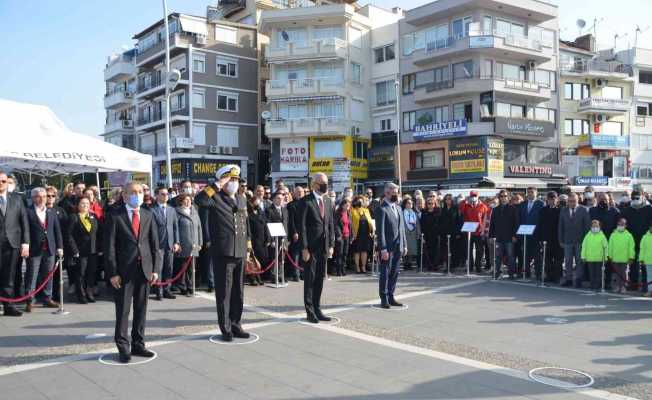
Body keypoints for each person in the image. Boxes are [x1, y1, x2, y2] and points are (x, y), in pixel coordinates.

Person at [106, 182, 162, 363]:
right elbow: (109, 247)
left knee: (141, 309)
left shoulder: (148, 214)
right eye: (133, 192)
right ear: (124, 195)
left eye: (139, 192)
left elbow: (155, 245)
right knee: (123, 311)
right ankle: (123, 346)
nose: (137, 195)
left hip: (144, 269)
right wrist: (113, 272)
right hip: (123, 272)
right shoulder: (115, 216)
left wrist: (155, 269)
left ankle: (139, 344)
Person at [201, 165, 251, 341]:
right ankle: (226, 328)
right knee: (224, 293)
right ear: (223, 180)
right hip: (223, 252)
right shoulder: (215, 197)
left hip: (240, 251)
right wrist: (217, 185)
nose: (235, 183)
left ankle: (237, 324)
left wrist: (248, 247)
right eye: (231, 180)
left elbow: (246, 224)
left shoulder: (241, 199)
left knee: (239, 292)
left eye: (237, 180)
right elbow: (199, 200)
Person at [298, 172, 335, 323]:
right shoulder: (306, 201)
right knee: (310, 279)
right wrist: (304, 248)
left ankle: (317, 308)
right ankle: (310, 311)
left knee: (320, 278)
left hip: (323, 247)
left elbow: (331, 224)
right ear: (314, 184)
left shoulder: (327, 201)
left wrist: (332, 244)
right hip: (311, 248)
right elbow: (302, 228)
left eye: (326, 182)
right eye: (322, 183)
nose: (325, 185)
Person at [25, 187, 63, 311]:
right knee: (32, 275)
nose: (42, 199)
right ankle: (30, 300)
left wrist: (60, 246)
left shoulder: (51, 212)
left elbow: (57, 230)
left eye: (44, 196)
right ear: (33, 198)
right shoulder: (28, 212)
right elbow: (25, 231)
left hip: (50, 248)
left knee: (48, 275)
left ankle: (47, 297)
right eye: (38, 196)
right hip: (34, 249)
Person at [0, 170, 29, 317]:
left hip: (13, 244)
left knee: (9, 276)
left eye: (3, 181)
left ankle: (9, 306)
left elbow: (24, 222)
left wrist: (26, 243)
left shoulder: (17, 199)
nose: (1, 183)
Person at [375, 182, 407, 309]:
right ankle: (384, 298)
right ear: (387, 192)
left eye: (397, 192)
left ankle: (391, 296)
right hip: (387, 248)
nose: (397, 194)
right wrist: (382, 248)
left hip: (398, 246)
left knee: (395, 272)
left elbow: (401, 228)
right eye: (394, 191)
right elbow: (380, 231)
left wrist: (404, 245)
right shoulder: (381, 209)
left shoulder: (398, 208)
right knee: (385, 273)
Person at [67, 196, 101, 304]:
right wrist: (74, 250)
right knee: (80, 273)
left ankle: (89, 293)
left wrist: (100, 248)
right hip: (80, 251)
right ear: (78, 205)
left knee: (91, 273)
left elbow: (99, 233)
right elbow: (69, 235)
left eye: (87, 203)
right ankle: (81, 295)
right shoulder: (74, 217)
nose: (85, 205)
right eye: (82, 203)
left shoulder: (93, 216)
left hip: (93, 250)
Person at [151, 187, 180, 301]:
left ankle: (167, 289)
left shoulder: (172, 210)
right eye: (162, 194)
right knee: (158, 268)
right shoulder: (152, 210)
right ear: (157, 196)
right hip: (158, 244)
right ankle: (159, 291)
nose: (165, 196)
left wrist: (177, 242)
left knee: (169, 267)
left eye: (167, 194)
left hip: (170, 243)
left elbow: (175, 227)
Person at [559, 193, 591, 288]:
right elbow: (560, 226)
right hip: (567, 240)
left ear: (578, 201)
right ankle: (568, 279)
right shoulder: (563, 210)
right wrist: (560, 240)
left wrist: (585, 242)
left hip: (580, 240)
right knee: (568, 261)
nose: (571, 203)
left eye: (574, 201)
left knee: (579, 261)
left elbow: (587, 226)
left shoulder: (584, 210)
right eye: (570, 201)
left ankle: (578, 279)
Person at [590, 192, 620, 288]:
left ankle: (607, 282)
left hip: (610, 242)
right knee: (597, 264)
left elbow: (618, 227)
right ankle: (597, 282)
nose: (603, 201)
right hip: (596, 242)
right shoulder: (592, 211)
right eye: (601, 199)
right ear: (597, 200)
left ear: (609, 200)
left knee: (608, 265)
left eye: (605, 199)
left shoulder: (615, 211)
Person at [175, 194, 203, 296]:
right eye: (185, 200)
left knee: (192, 268)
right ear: (181, 201)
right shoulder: (177, 212)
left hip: (194, 244)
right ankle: (183, 286)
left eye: (189, 200)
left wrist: (200, 242)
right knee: (183, 267)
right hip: (183, 243)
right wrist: (177, 242)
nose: (188, 202)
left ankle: (191, 286)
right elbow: (175, 229)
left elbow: (199, 227)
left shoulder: (194, 211)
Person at [489, 190, 519, 279]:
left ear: (508, 197)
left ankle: (511, 273)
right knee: (498, 256)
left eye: (505, 196)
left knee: (510, 256)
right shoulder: (495, 209)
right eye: (501, 196)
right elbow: (492, 224)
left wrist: (515, 235)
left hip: (510, 237)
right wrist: (491, 236)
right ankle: (498, 272)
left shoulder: (513, 209)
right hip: (499, 237)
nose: (503, 198)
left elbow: (516, 223)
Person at [458, 190, 489, 273]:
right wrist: (465, 200)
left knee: (479, 250)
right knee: (468, 250)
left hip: (478, 232)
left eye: (475, 196)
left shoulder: (483, 206)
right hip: (468, 232)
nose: (473, 197)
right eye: (472, 196)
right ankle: (470, 266)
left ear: (478, 196)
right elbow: (460, 209)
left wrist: (482, 228)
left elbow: (485, 218)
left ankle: (478, 266)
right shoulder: (466, 205)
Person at [536, 192, 563, 283]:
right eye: (550, 198)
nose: (552, 200)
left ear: (557, 199)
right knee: (547, 259)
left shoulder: (561, 210)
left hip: (557, 239)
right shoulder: (543, 210)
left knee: (558, 259)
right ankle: (549, 275)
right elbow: (539, 224)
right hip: (545, 239)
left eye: (554, 198)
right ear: (547, 199)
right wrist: (539, 238)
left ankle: (557, 276)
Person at [519, 187, 544, 278]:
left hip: (536, 235)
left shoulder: (541, 204)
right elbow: (520, 218)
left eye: (532, 192)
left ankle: (538, 273)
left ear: (536, 193)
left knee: (537, 256)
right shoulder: (523, 204)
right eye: (528, 192)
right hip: (524, 234)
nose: (530, 194)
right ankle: (526, 273)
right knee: (525, 255)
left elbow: (542, 221)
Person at [608, 218, 635, 294]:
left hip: (625, 259)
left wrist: (631, 257)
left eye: (622, 224)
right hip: (615, 258)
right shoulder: (613, 235)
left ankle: (623, 287)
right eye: (619, 224)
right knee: (617, 274)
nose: (620, 226)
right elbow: (610, 246)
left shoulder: (629, 236)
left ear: (625, 226)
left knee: (624, 273)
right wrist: (610, 256)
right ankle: (617, 287)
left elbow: (631, 248)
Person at [581, 220, 609, 292]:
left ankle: (598, 285)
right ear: (591, 227)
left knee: (598, 273)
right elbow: (584, 246)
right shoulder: (587, 236)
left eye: (596, 226)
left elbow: (606, 247)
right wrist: (583, 257)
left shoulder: (602, 236)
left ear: (599, 227)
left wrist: (605, 257)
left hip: (599, 258)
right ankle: (592, 284)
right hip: (590, 258)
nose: (595, 228)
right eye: (593, 226)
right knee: (591, 273)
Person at [247, 197, 269, 286]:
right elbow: (248, 228)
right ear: (252, 204)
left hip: (262, 239)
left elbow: (265, 226)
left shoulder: (261, 213)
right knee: (253, 260)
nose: (258, 205)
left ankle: (259, 276)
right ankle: (253, 278)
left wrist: (267, 238)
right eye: (256, 203)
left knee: (261, 259)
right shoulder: (248, 214)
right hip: (253, 240)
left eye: (259, 203)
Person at [351, 195, 374, 274]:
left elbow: (370, 221)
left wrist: (372, 231)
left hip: (366, 233)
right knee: (357, 251)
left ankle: (363, 267)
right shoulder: (352, 210)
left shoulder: (366, 210)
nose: (360, 202)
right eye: (358, 201)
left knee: (364, 251)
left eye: (361, 201)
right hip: (357, 234)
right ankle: (357, 267)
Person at [286, 186, 305, 282]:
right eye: (298, 192)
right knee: (295, 255)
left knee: (303, 255)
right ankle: (296, 274)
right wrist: (294, 232)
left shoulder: (307, 203)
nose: (300, 193)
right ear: (294, 193)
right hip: (296, 234)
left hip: (305, 234)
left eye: (301, 192)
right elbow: (291, 221)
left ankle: (303, 273)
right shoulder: (291, 205)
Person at [439, 194, 462, 271]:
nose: (447, 200)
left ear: (452, 200)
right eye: (446, 199)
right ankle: (446, 265)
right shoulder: (443, 209)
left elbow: (459, 221)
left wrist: (458, 233)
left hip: (454, 233)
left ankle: (452, 266)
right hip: (444, 233)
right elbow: (440, 221)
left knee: (453, 250)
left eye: (449, 199)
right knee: (445, 250)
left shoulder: (456, 209)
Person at [420, 196, 440, 271]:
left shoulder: (438, 212)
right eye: (429, 204)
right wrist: (422, 236)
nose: (430, 205)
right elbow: (422, 225)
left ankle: (435, 265)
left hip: (436, 234)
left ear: (435, 204)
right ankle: (429, 265)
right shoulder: (424, 213)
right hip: (427, 235)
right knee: (428, 251)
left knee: (436, 251)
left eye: (432, 204)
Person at [333, 198, 351, 277]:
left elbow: (350, 225)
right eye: (346, 205)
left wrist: (352, 235)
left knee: (345, 254)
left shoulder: (348, 213)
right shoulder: (338, 213)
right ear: (342, 205)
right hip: (340, 236)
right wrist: (339, 235)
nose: (347, 206)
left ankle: (343, 269)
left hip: (347, 236)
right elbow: (336, 225)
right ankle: (338, 270)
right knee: (339, 254)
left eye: (348, 205)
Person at [402, 198, 420, 270]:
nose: (410, 205)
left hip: (413, 233)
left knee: (412, 249)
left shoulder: (414, 213)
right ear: (405, 204)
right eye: (408, 203)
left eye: (411, 203)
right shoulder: (402, 212)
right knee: (405, 248)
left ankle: (409, 263)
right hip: (405, 233)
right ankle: (405, 264)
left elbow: (418, 224)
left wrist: (418, 232)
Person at [637, 221, 652, 297]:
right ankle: (650, 291)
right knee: (649, 277)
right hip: (648, 260)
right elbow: (642, 249)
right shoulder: (645, 237)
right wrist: (641, 259)